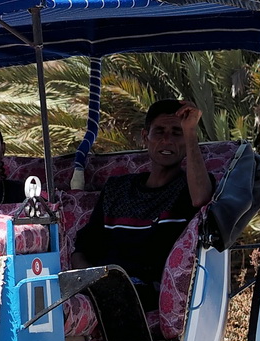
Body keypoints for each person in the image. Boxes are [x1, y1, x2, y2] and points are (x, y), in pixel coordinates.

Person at [73, 99, 214, 313]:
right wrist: (92, 283)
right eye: (159, 132)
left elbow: (201, 200)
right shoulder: (117, 189)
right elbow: (82, 249)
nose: (167, 140)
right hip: (103, 286)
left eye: (177, 133)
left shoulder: (189, 189)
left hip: (147, 293)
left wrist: (191, 131)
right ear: (145, 137)